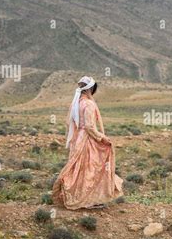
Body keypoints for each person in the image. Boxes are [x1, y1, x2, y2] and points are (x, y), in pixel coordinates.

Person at [52, 76, 123, 209]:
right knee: (92, 167)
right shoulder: (88, 104)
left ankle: (78, 196)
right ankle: (89, 199)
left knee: (80, 168)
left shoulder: (76, 103)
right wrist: (101, 138)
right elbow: (90, 127)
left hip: (78, 138)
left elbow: (71, 122)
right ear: (90, 89)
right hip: (87, 139)